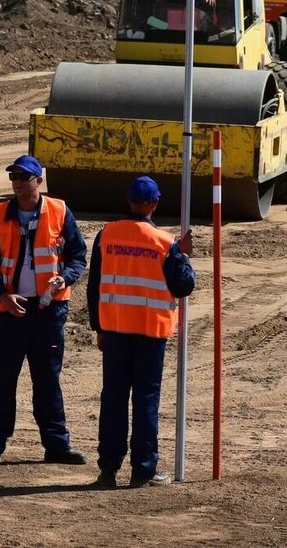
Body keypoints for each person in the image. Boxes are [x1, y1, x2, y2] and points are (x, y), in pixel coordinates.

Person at [0, 155, 88, 466]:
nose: (18, 183)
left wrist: (64, 277)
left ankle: (56, 445)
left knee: (47, 379)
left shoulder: (59, 211)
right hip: (10, 312)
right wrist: (2, 295)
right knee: (2, 380)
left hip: (48, 312)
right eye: (14, 177)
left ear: (38, 181)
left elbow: (78, 256)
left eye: (24, 177)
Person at [87, 176, 196, 488]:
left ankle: (108, 469)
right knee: (146, 399)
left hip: (116, 330)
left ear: (129, 200)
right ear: (155, 203)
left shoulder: (106, 235)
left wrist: (98, 327)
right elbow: (183, 285)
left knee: (114, 399)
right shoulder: (164, 243)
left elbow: (95, 286)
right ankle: (143, 470)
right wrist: (183, 255)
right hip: (150, 332)